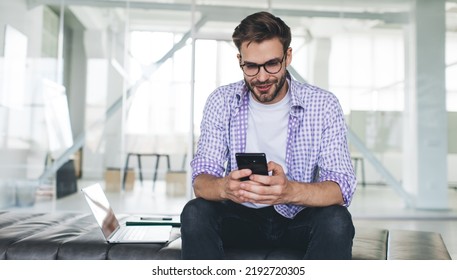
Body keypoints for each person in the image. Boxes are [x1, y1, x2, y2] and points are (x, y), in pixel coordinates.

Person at [180, 11, 357, 260]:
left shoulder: (323, 104)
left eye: (272, 64)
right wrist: (224, 188)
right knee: (195, 212)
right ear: (240, 60)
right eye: (251, 66)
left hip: (297, 219)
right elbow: (201, 180)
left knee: (337, 220)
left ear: (288, 57)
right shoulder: (221, 101)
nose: (261, 77)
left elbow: (341, 188)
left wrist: (289, 191)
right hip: (241, 217)